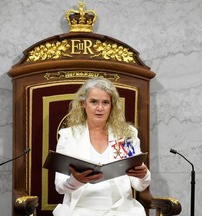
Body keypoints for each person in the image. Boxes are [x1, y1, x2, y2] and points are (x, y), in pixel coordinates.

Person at [53, 77, 151, 216]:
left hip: (122, 210)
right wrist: (77, 180)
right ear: (83, 104)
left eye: (105, 102)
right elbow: (60, 187)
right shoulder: (68, 136)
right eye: (94, 102)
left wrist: (144, 175)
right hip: (80, 210)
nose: (100, 108)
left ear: (112, 106)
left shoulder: (127, 134)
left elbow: (139, 185)